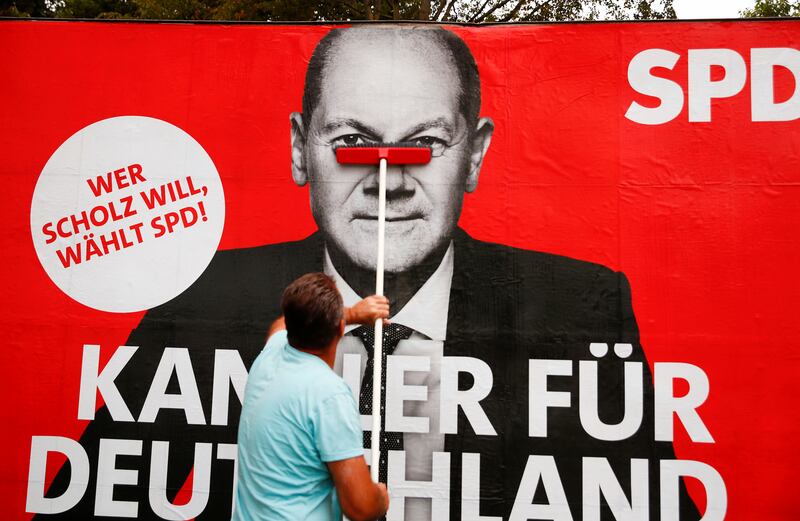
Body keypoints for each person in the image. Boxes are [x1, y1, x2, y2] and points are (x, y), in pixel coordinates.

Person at [41, 26, 700, 520]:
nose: (390, 182)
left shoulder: (580, 307)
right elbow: (94, 492)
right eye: (354, 143)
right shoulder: (204, 297)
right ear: (302, 150)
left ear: (473, 155)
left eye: (424, 143)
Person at [233, 273, 389, 521]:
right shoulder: (329, 394)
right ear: (339, 326)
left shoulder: (269, 357)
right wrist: (379, 498)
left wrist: (349, 313)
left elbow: (281, 324)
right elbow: (361, 508)